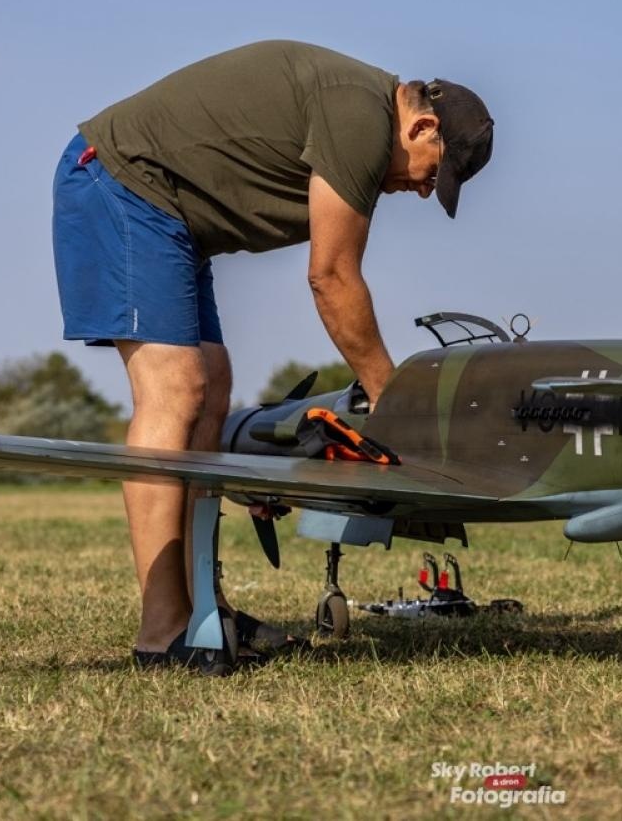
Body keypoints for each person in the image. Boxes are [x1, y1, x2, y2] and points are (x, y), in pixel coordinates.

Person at [51, 40, 494, 671]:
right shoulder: (361, 117)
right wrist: (394, 401)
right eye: (432, 173)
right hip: (121, 181)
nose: (422, 192)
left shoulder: (363, 114)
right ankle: (162, 633)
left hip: (171, 217)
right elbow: (332, 277)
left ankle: (203, 608)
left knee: (212, 386)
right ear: (421, 126)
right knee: (175, 389)